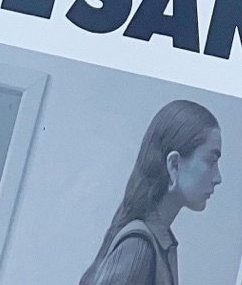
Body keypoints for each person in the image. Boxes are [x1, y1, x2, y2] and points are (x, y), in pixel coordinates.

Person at [79, 100, 223, 285]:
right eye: (211, 160)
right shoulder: (139, 246)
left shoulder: (157, 244)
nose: (218, 178)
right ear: (174, 165)